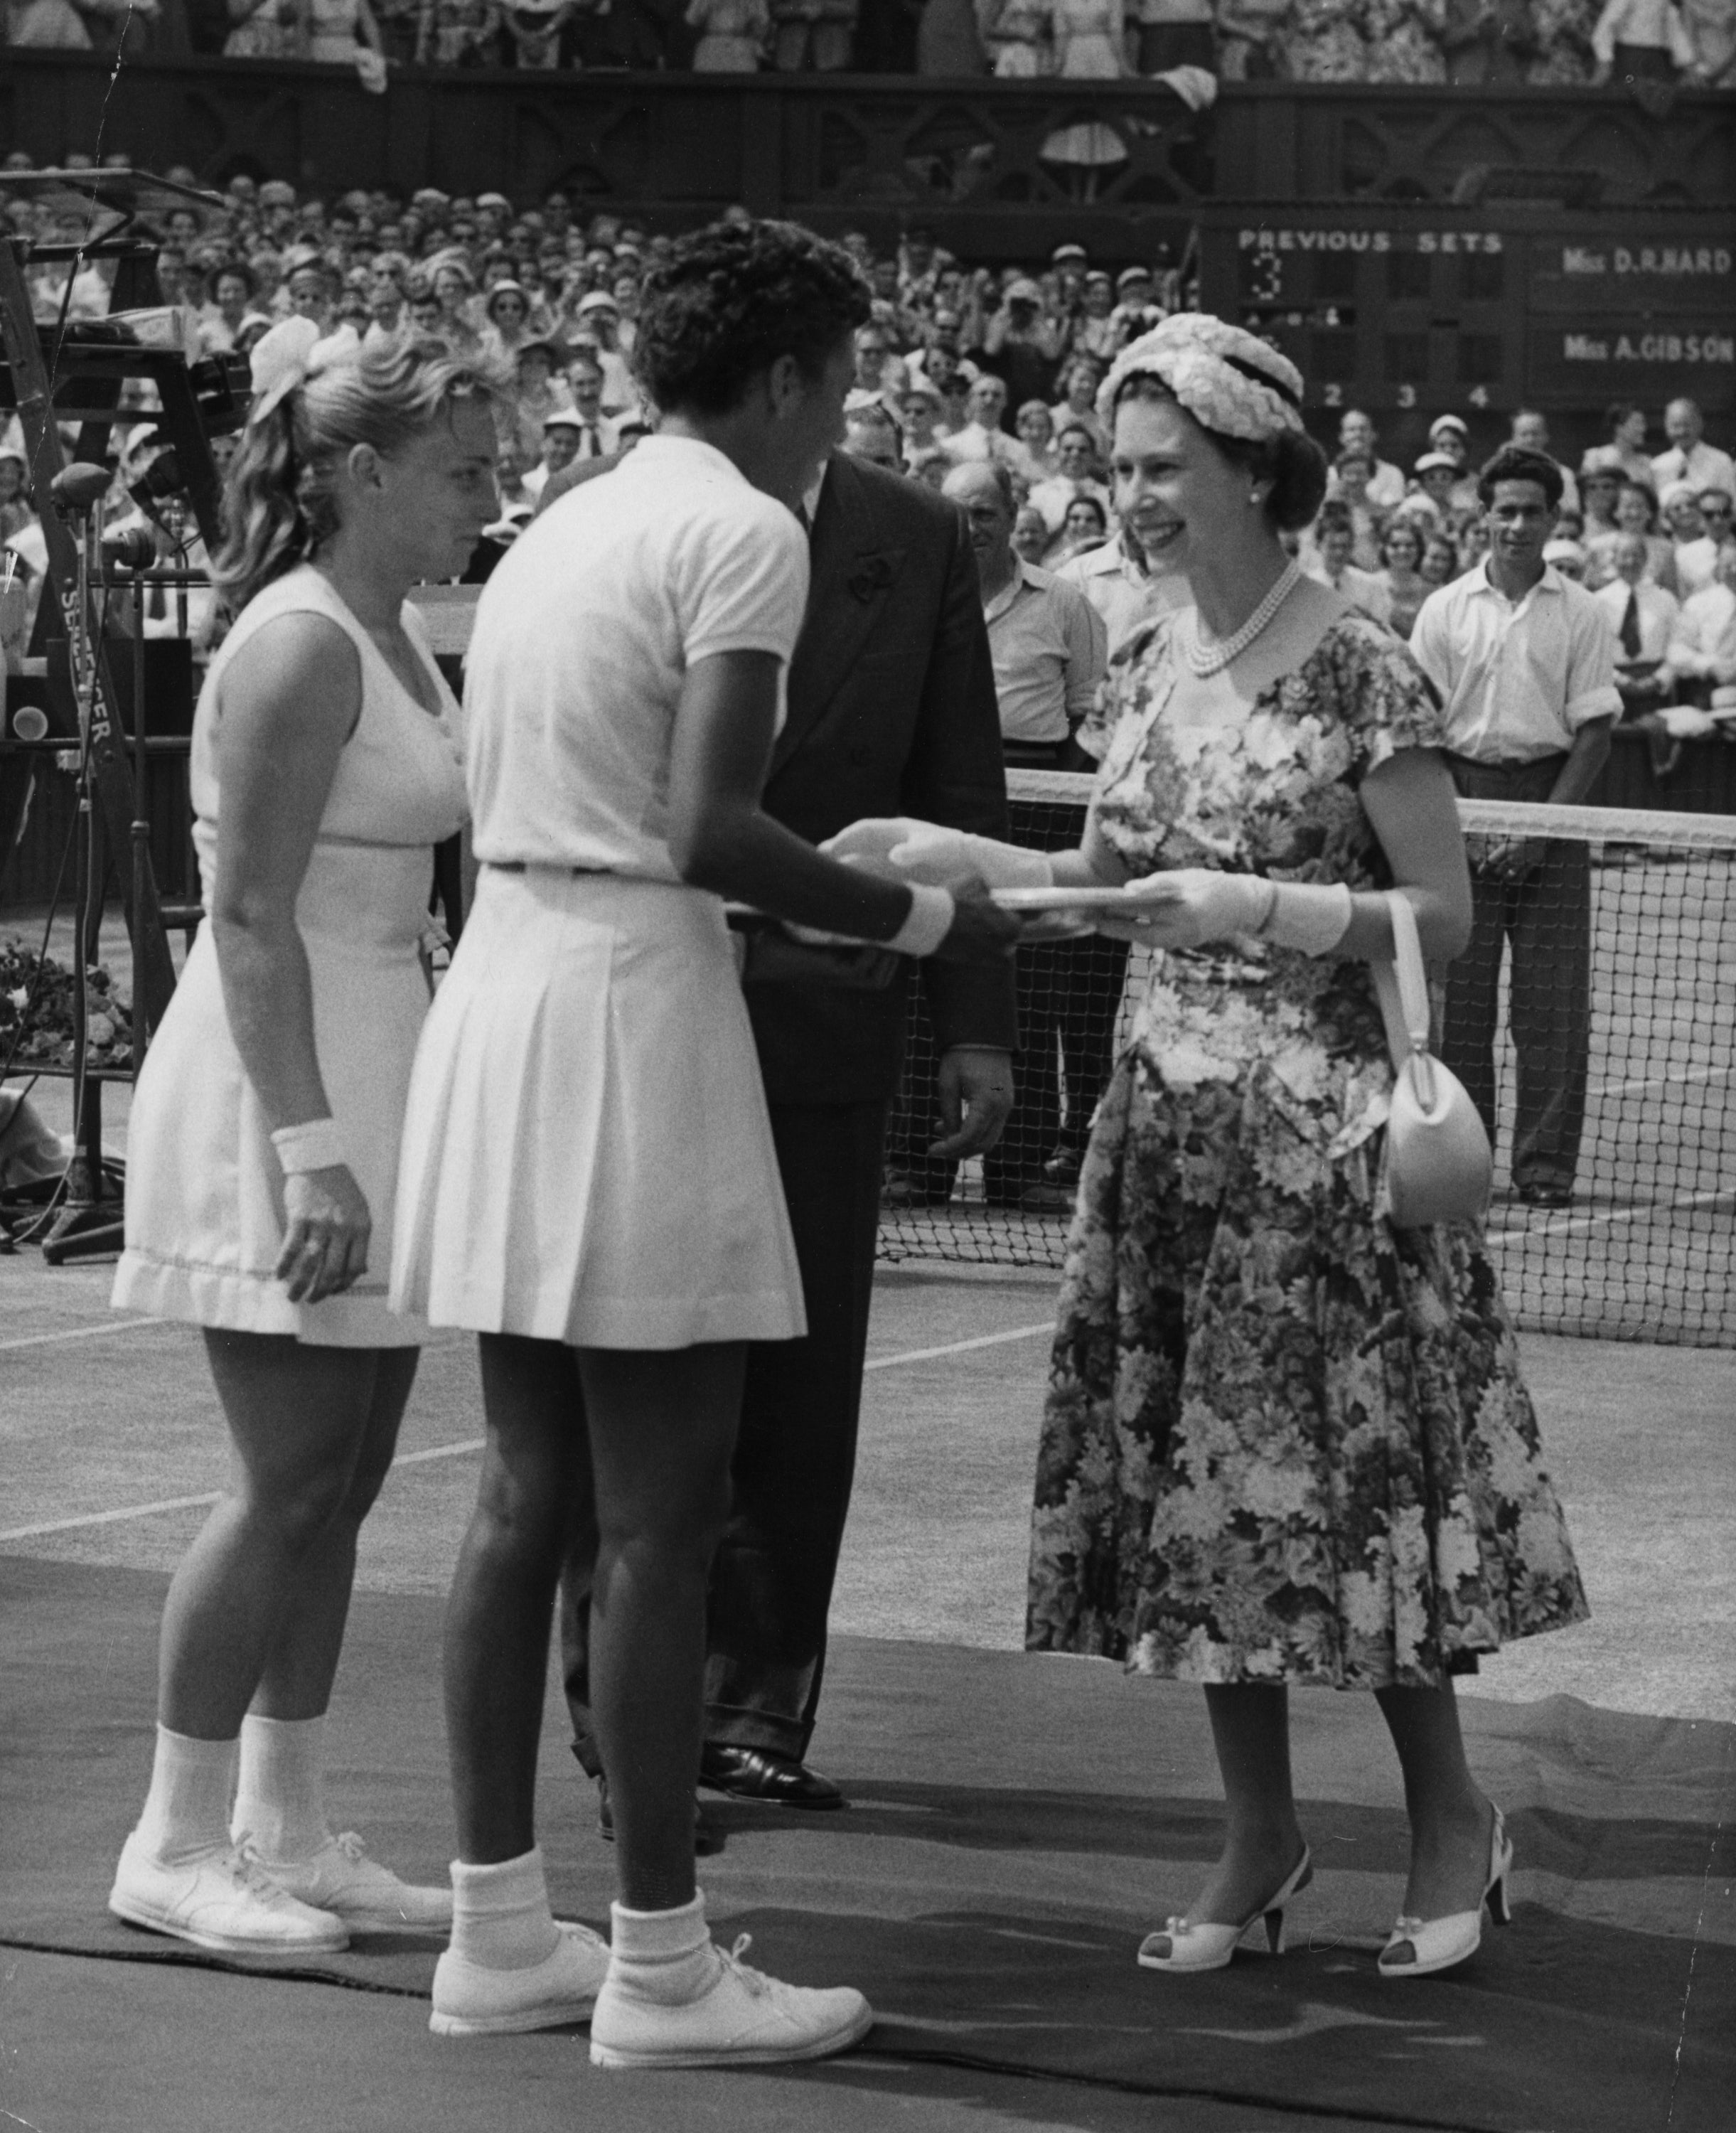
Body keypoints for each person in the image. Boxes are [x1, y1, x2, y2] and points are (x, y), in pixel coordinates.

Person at [843, 314, 1587, 1983]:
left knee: (1363, 1498)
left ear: (1256, 466)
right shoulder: (1149, 654)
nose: (1132, 497)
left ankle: (1451, 1818)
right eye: (1115, 468)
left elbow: (1440, 921)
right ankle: (1256, 1835)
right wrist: (940, 854)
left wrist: (1262, 902)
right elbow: (1097, 875)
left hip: (1321, 1158)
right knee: (1199, 1508)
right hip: (1163, 1146)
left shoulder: (1360, 661)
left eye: (1162, 467)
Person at [391, 218, 1017, 2063]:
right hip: (625, 1011)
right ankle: (660, 1969)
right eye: (833, 381)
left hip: (502, 997)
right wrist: (925, 923)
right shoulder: (746, 527)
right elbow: (707, 828)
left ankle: (502, 1932)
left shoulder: (563, 525)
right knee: (661, 1515)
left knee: (523, 1500)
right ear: (784, 382)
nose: (840, 417)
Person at [107, 327, 501, 1957]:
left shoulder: (401, 635)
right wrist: (312, 1148)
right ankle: (172, 1837)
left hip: (382, 1051)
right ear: (360, 472)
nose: (492, 497)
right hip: (286, 1079)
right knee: (280, 1483)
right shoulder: (299, 646)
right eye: (467, 471)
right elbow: (251, 915)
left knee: (340, 1484)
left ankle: (288, 1821)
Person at [1411, 444, 1619, 1209]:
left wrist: (1540, 824)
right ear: (1483, 518)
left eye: (1533, 511)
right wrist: (1455, 821)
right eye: (1505, 511)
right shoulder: (1443, 609)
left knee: (1552, 1011)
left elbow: (1594, 732)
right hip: (1457, 802)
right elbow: (1417, 729)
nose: (1518, 525)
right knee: (1459, 1007)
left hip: (1553, 801)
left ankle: (1545, 1172)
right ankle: (1466, 1165)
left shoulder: (1584, 611)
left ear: (1554, 519)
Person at [941, 457, 1107, 1209]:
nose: (971, 526)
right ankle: (919, 1160)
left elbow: (1090, 715)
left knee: (1033, 989)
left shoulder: (1064, 602)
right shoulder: (925, 593)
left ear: (1012, 519)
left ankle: (1020, 1169)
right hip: (943, 798)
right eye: (958, 511)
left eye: (984, 512)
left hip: (1037, 799)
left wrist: (1045, 797)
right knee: (930, 972)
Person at [1595, 530, 1680, 718]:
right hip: (1613, 686)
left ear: (1646, 559)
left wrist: (1659, 679)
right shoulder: (1598, 601)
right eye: (1624, 556)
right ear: (1613, 559)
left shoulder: (1665, 598)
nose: (1631, 562)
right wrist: (1618, 679)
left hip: (1655, 684)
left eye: (1636, 555)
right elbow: (1593, 650)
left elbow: (1677, 644)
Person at [1651, 397, 1735, 498]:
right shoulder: (1658, 466)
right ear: (1666, 427)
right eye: (1675, 425)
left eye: (1687, 425)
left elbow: (1730, 504)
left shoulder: (1721, 462)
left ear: (1700, 424)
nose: (1681, 431)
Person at [1375, 515, 1430, 639]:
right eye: (1395, 545)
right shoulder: (1371, 584)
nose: (1403, 551)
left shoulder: (1429, 589)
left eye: (1410, 545)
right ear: (1384, 548)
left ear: (1419, 548)